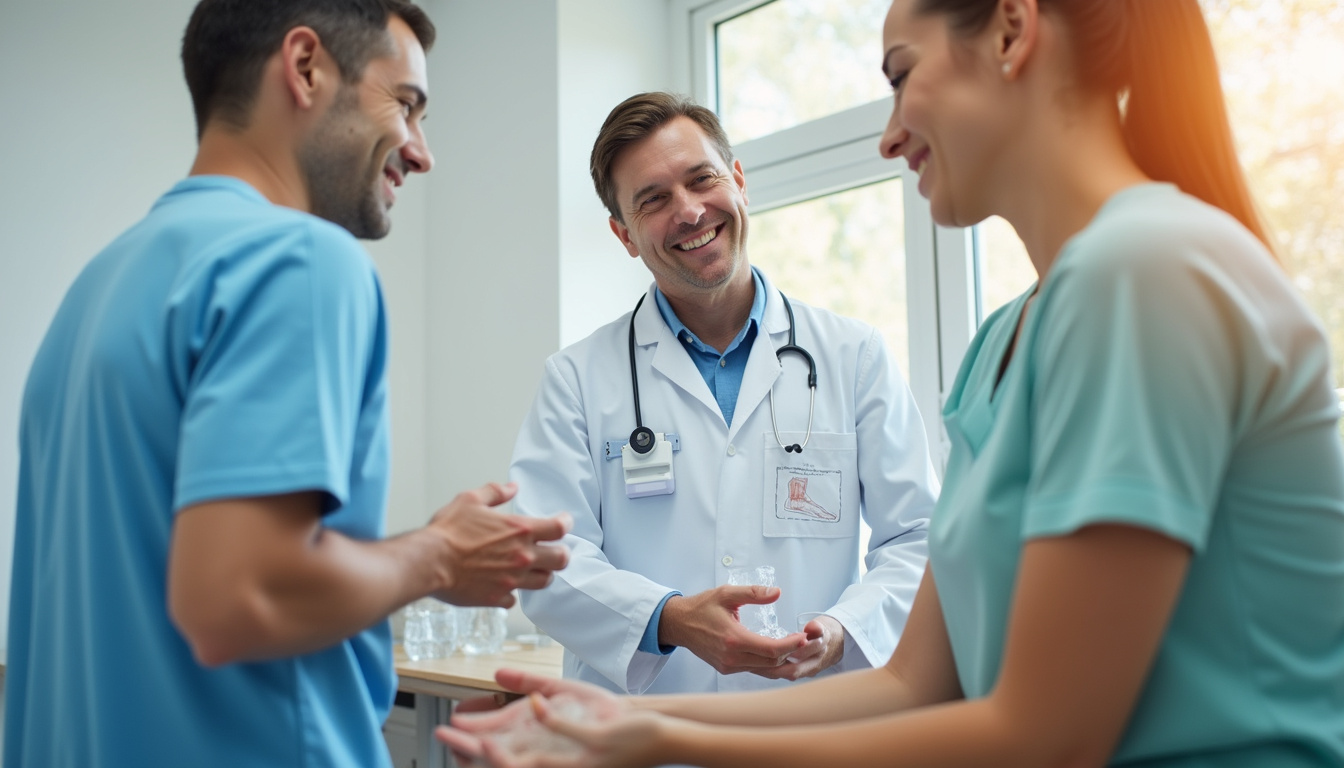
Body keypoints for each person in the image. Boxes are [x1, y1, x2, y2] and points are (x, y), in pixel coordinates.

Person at [440, 0, 1344, 766]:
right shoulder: (1005, 343)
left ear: (1011, 31)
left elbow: (1043, 729)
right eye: (651, 201)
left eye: (900, 75)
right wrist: (631, 712)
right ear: (622, 232)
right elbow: (921, 680)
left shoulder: (1145, 272)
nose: (889, 132)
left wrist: (667, 729)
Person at [5, 2, 571, 766]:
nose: (422, 152)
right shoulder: (297, 260)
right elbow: (241, 597)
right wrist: (439, 555)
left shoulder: (98, 288)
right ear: (306, 67)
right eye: (405, 105)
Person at [510, 91, 939, 698]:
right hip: (646, 732)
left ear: (738, 182)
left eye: (701, 179)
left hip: (809, 723)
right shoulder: (577, 380)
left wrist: (846, 628)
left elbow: (917, 536)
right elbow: (546, 558)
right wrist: (669, 620)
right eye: (653, 200)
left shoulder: (853, 356)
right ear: (624, 234)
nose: (688, 212)